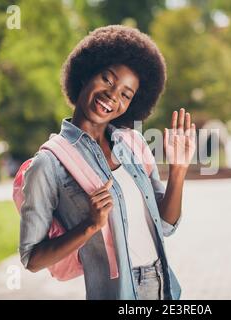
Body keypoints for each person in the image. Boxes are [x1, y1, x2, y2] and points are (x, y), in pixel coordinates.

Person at [19, 25, 196, 300]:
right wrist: (89, 225)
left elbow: (166, 225)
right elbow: (33, 258)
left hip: (164, 285)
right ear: (85, 75)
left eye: (126, 94)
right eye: (107, 79)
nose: (113, 95)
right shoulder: (49, 163)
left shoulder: (133, 144)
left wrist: (178, 170)